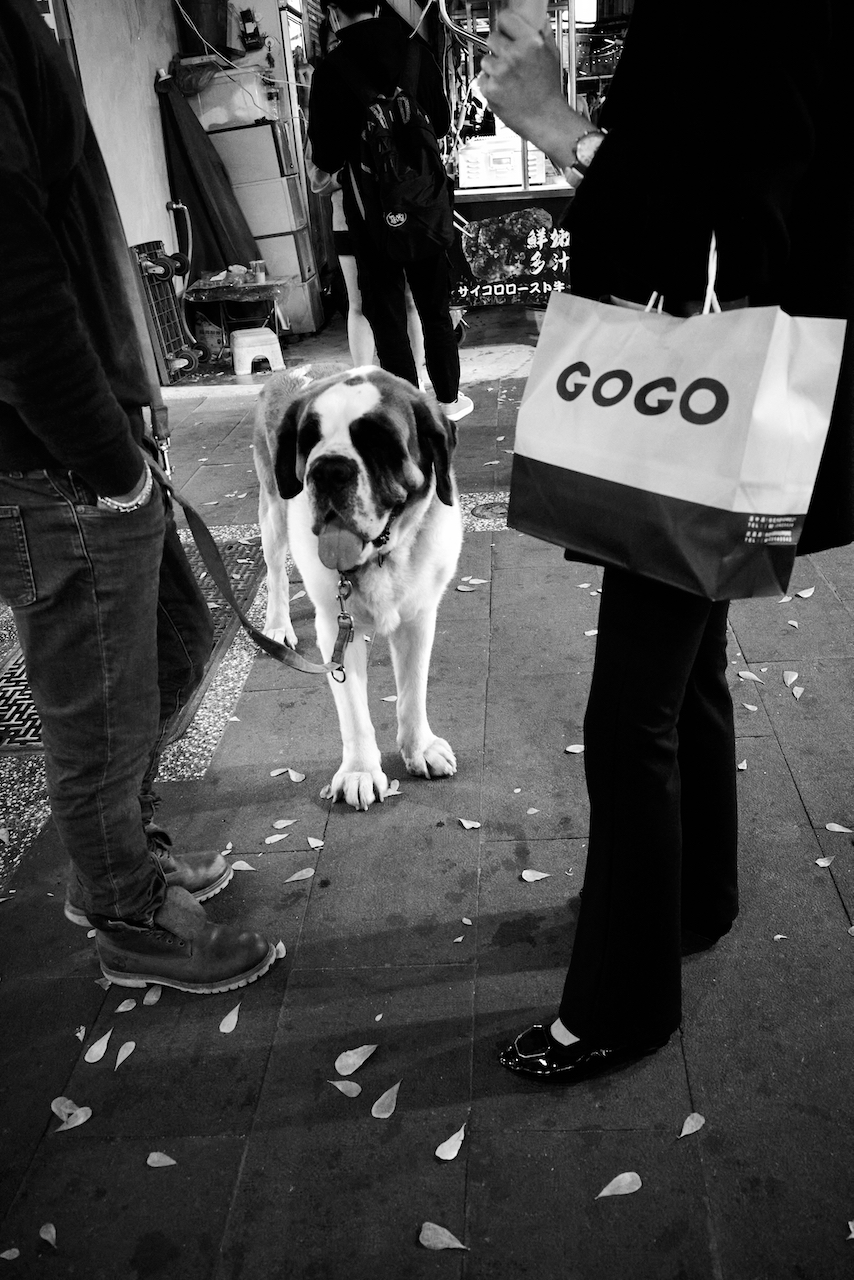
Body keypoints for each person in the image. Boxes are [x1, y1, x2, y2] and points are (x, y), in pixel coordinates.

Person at [479, 0, 854, 1081]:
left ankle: (620, 1006)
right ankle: (692, 898)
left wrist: (563, 130)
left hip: (715, 397)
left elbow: (728, 218)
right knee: (685, 677)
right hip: (747, 387)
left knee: (629, 712)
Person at [0, 0, 275, 993]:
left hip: (92, 445)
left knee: (172, 650)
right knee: (101, 716)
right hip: (56, 462)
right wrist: (107, 459)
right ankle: (126, 914)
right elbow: (12, 286)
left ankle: (120, 858)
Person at [307, 0, 473, 421]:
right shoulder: (418, 55)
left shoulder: (330, 72)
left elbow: (325, 156)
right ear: (378, 7)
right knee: (433, 309)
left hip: (370, 215)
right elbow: (442, 122)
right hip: (425, 204)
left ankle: (406, 410)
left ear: (333, 13)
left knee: (386, 316)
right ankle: (449, 400)